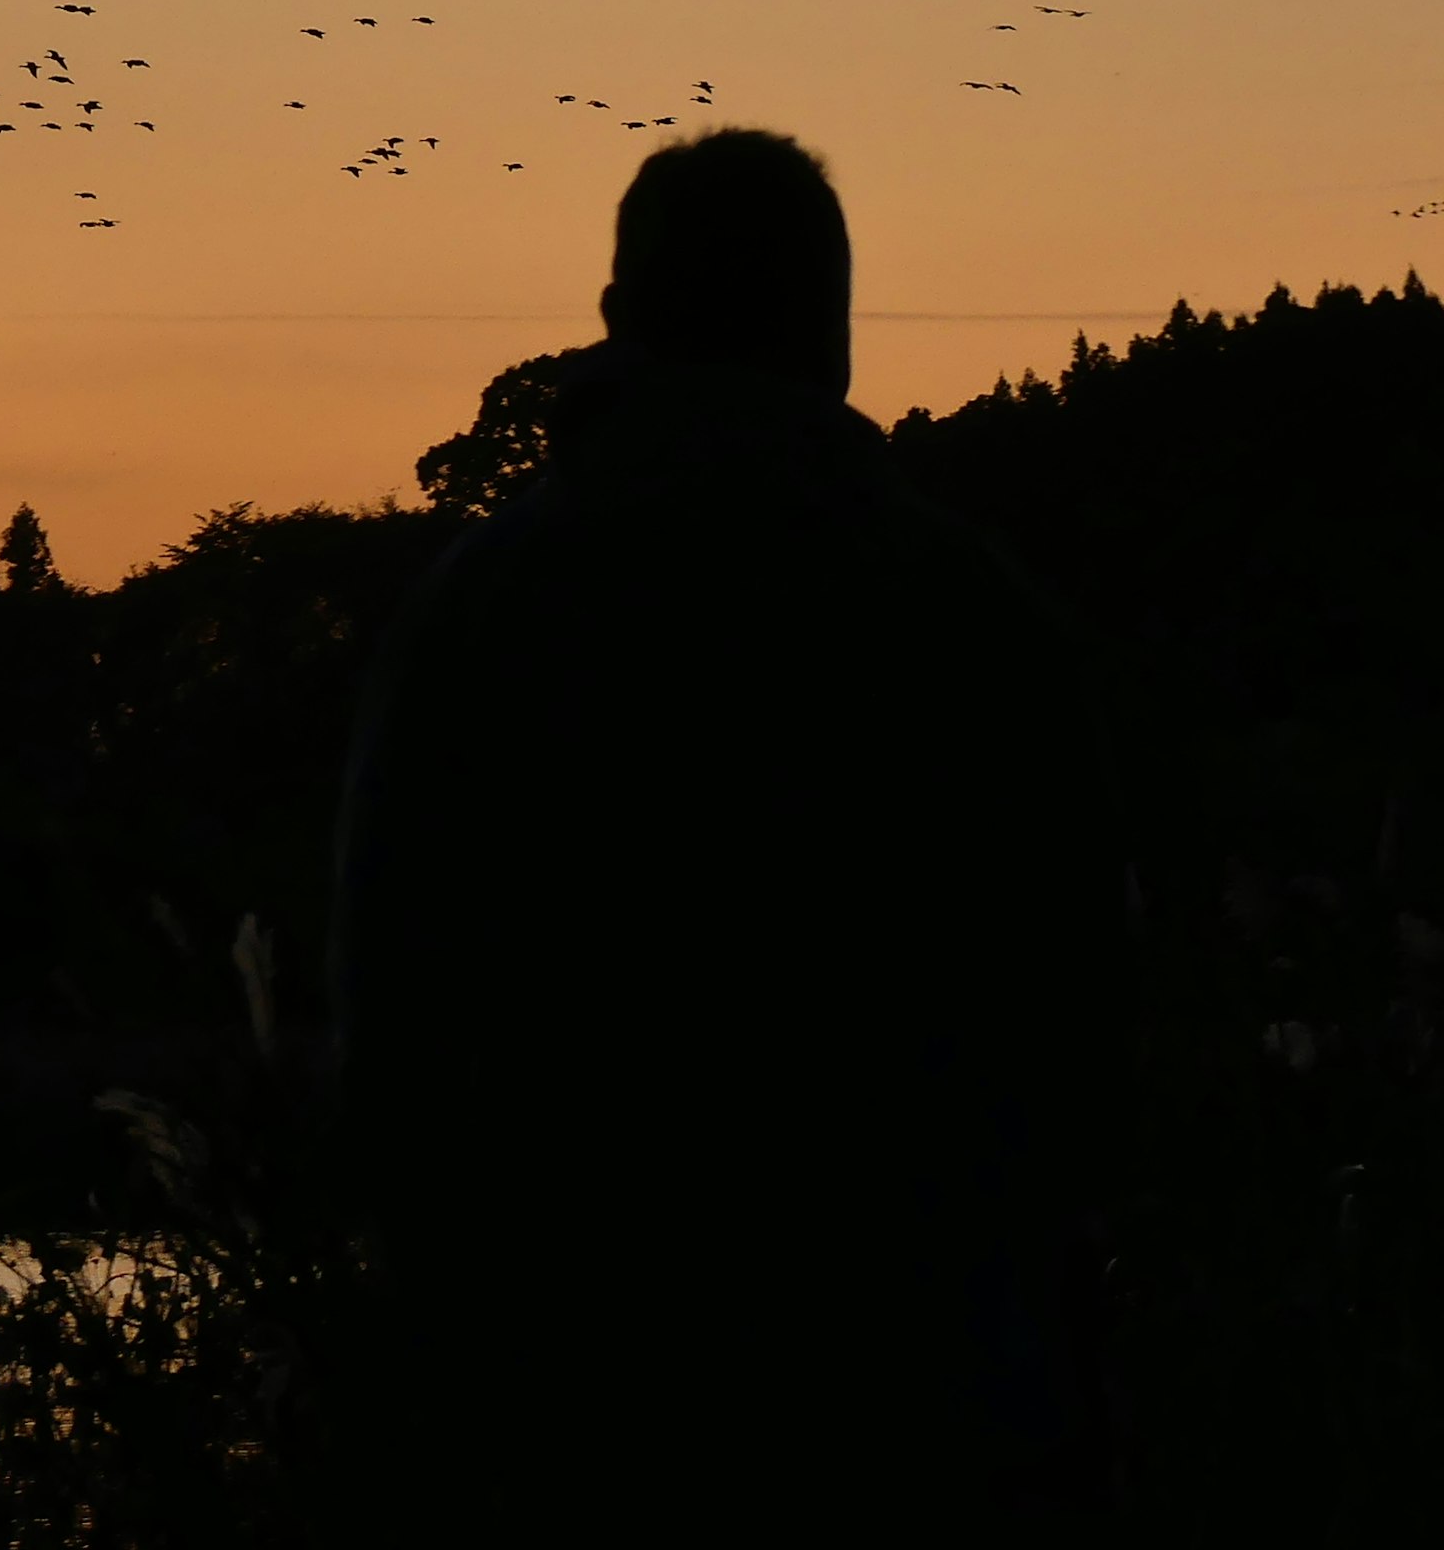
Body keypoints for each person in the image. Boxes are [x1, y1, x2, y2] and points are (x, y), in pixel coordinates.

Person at [333, 130, 1134, 1538]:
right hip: (916, 1372)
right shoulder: (962, 613)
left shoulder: (489, 606)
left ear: (618, 318)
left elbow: (391, 991)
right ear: (825, 329)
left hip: (571, 1370)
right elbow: (1083, 991)